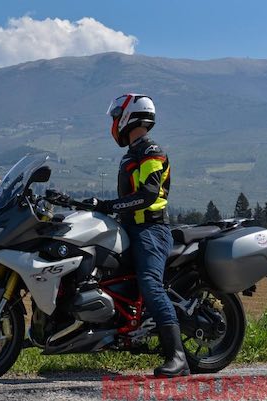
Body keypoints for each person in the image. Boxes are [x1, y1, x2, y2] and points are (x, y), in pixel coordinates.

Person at [82, 93, 189, 377]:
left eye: (117, 116)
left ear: (130, 117)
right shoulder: (132, 153)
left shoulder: (151, 151)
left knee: (151, 284)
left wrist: (111, 206)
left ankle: (178, 358)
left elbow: (148, 194)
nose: (114, 123)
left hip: (151, 231)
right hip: (131, 228)